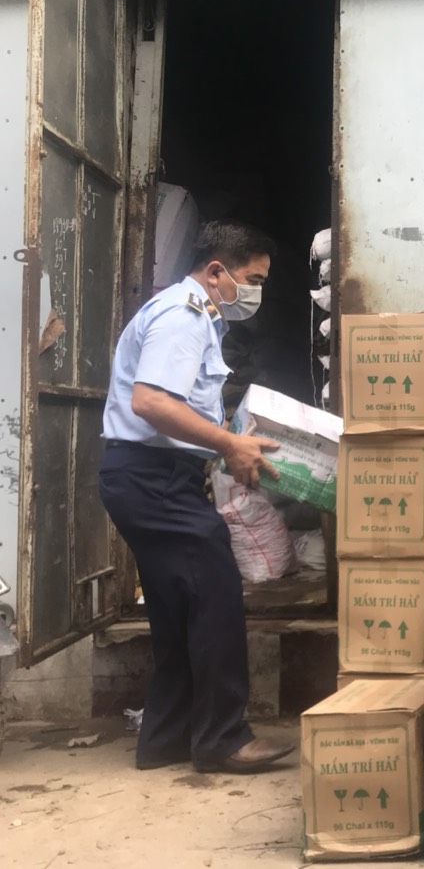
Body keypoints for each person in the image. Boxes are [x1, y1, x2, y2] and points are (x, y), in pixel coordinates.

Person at [98, 220, 295, 774]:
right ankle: (222, 739)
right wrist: (228, 444)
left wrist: (229, 437)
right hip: (151, 478)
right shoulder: (183, 316)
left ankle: (166, 738)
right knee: (214, 596)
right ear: (215, 271)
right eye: (252, 280)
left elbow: (178, 405)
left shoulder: (198, 319)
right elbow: (151, 403)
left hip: (155, 477)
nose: (255, 292)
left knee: (178, 610)